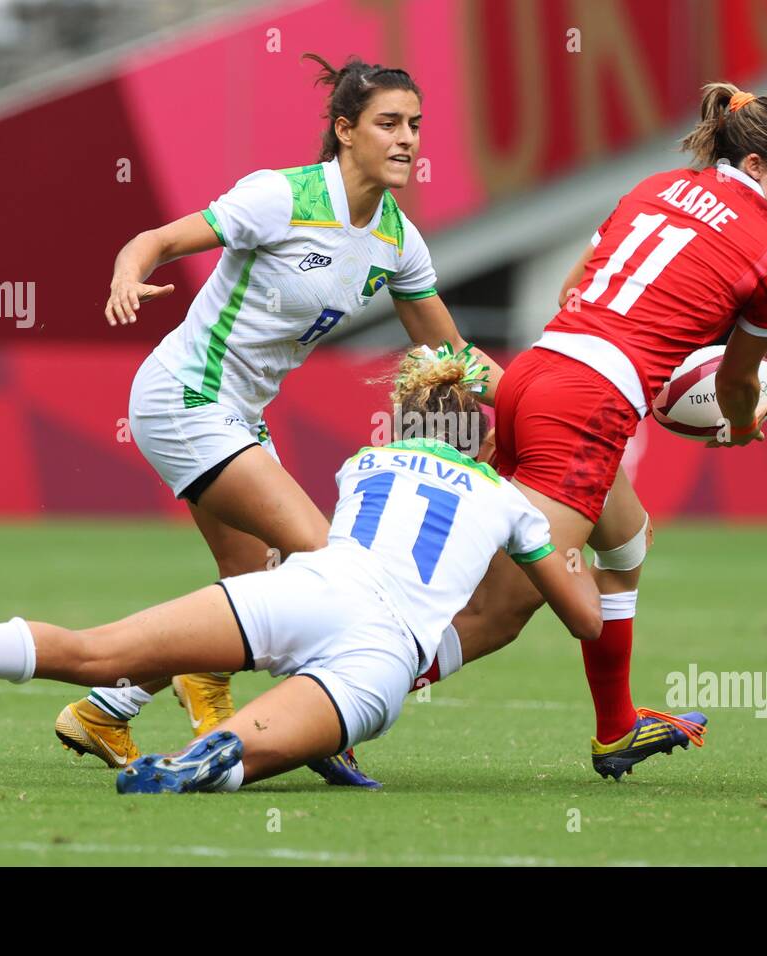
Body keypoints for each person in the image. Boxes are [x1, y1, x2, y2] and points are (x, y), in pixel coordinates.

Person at [0, 351, 614, 794]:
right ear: (482, 433)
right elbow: (581, 620)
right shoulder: (512, 502)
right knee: (244, 750)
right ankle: (205, 760)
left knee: (98, 650)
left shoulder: (361, 463)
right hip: (379, 654)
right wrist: (581, 557)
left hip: (304, 591)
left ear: (407, 415)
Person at [57, 53, 501, 787]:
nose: (407, 140)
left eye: (416, 126)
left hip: (238, 418)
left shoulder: (396, 239)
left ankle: (109, 707)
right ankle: (321, 729)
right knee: (327, 561)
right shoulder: (280, 197)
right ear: (344, 130)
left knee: (249, 587)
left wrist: (539, 397)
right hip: (183, 397)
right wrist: (127, 273)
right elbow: (159, 240)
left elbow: (454, 354)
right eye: (388, 123)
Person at [445, 82, 767, 779]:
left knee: (624, 543)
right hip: (585, 407)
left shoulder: (657, 187)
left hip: (534, 372)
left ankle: (617, 729)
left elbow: (572, 289)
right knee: (498, 615)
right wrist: (738, 427)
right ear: (755, 167)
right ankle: (340, 705)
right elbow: (739, 384)